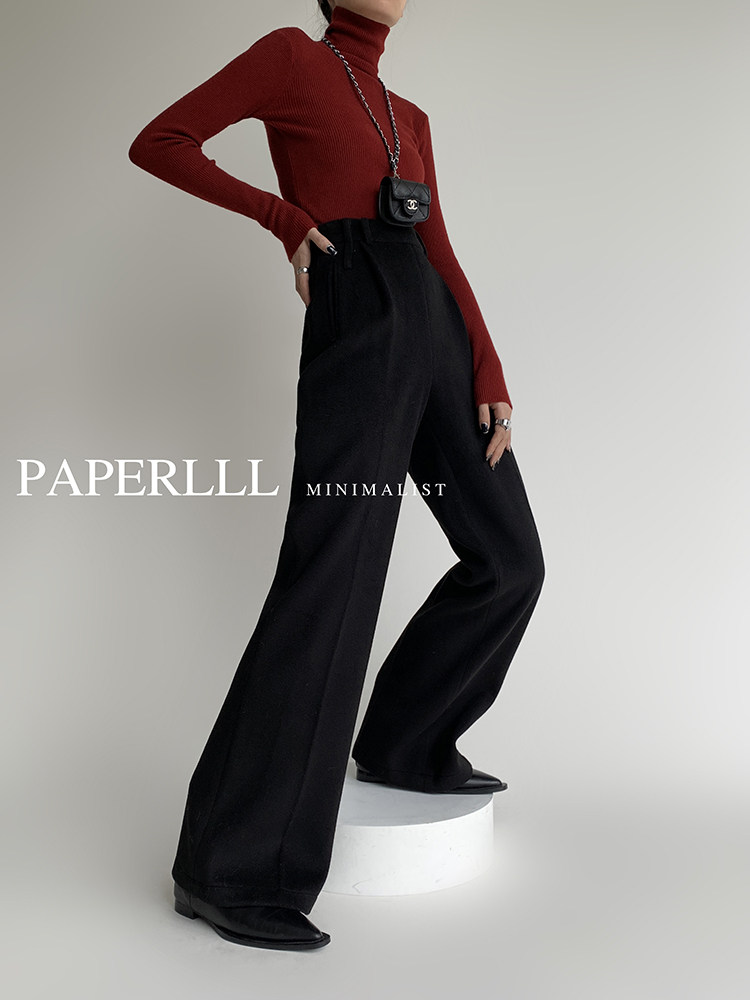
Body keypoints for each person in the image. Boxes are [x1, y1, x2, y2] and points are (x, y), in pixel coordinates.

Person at [128, 0, 545, 951]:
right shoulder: (291, 58)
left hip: (434, 324)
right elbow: (162, 141)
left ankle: (405, 742)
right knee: (335, 575)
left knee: (509, 559)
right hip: (359, 309)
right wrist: (283, 218)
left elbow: (439, 248)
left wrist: (487, 368)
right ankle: (228, 870)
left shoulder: (410, 115)